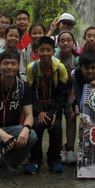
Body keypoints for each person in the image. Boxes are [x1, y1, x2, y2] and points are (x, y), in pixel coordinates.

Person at [0, 48, 37, 178]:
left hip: (12, 128)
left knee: (31, 135)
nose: (9, 67)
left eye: (13, 63)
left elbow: (29, 115)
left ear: (18, 66)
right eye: (6, 63)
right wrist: (2, 134)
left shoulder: (23, 87)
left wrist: (26, 129)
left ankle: (11, 161)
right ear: (0, 65)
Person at [25, 37, 68, 174]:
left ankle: (54, 159)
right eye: (42, 50)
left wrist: (55, 112)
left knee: (56, 127)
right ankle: (35, 159)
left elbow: (62, 93)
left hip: (54, 105)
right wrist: (39, 112)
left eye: (48, 50)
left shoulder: (60, 68)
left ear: (53, 52)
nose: (45, 53)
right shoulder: (32, 68)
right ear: (36, 51)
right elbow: (30, 94)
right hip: (38, 106)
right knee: (36, 127)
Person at [57, 31, 79, 165]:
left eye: (68, 40)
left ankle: (70, 149)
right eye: (62, 41)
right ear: (58, 43)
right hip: (57, 92)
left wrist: (71, 101)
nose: (65, 43)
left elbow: (76, 82)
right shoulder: (54, 56)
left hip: (72, 91)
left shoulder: (76, 59)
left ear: (73, 42)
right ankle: (59, 149)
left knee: (71, 117)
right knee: (57, 119)